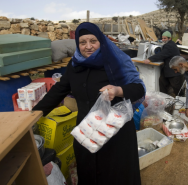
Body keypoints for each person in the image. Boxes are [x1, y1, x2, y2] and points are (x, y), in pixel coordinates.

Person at [33, 22, 146, 185]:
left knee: (116, 175)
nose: (88, 46)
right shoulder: (74, 65)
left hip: (115, 133)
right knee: (89, 173)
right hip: (87, 132)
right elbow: (59, 90)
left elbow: (138, 89)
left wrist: (117, 90)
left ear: (101, 40)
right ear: (77, 44)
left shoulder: (115, 61)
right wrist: (35, 113)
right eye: (83, 42)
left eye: (93, 41)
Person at [143, 31, 185, 97]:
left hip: (174, 70)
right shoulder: (171, 44)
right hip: (169, 68)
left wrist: (150, 59)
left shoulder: (169, 46)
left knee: (176, 88)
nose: (163, 40)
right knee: (162, 81)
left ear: (169, 38)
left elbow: (162, 54)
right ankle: (164, 97)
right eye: (162, 38)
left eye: (165, 38)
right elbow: (164, 54)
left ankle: (182, 100)